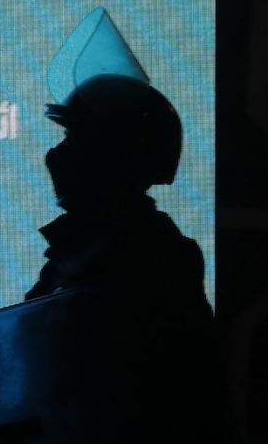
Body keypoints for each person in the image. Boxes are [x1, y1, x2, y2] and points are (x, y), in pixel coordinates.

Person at [27, 72, 216, 439]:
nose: (56, 155)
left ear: (111, 155)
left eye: (73, 138)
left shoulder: (148, 259)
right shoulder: (84, 251)